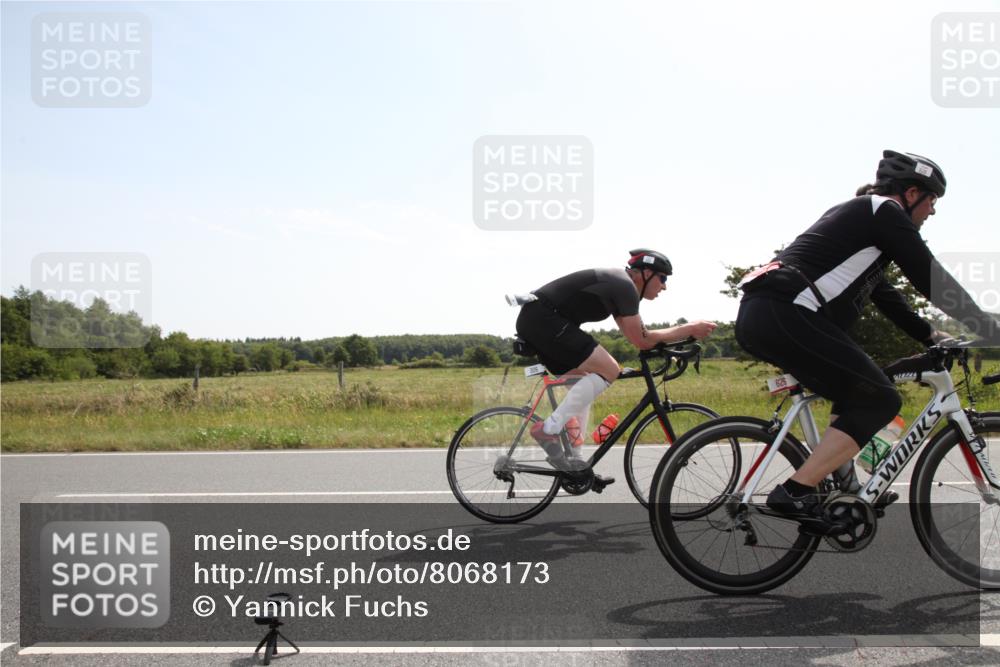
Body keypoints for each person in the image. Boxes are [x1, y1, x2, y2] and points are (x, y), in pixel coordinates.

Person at [734, 150, 1000, 533]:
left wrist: (930, 334)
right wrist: (985, 325)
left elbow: (886, 296)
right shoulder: (884, 212)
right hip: (788, 312)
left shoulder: (864, 225)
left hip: (767, 315)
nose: (933, 211)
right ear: (911, 194)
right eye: (932, 200)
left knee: (856, 393)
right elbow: (930, 276)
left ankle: (845, 490)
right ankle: (794, 492)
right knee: (882, 399)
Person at [516, 249, 716, 470]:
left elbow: (639, 338)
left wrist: (675, 339)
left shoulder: (619, 286)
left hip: (539, 320)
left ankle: (575, 461)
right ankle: (548, 430)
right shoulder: (624, 286)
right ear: (646, 273)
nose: (664, 286)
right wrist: (689, 329)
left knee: (583, 385)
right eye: (663, 278)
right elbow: (643, 340)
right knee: (610, 369)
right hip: (543, 320)